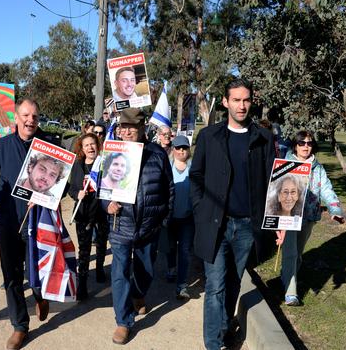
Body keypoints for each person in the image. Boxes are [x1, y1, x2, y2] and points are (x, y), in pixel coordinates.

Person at [190, 79, 276, 350]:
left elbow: (273, 182)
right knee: (215, 285)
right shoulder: (209, 136)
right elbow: (196, 176)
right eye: (236, 100)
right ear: (225, 102)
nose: (242, 105)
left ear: (252, 101)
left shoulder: (264, 138)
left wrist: (279, 221)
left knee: (233, 281)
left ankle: (226, 325)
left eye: (246, 100)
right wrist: (200, 208)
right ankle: (213, 344)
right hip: (215, 225)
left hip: (247, 227)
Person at [0, 99, 51, 350]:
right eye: (26, 115)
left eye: (35, 115)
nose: (30, 120)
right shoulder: (2, 147)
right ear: (16, 118)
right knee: (11, 277)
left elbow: (59, 183)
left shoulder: (48, 145)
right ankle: (20, 326)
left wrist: (44, 198)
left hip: (38, 221)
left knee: (37, 275)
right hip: (9, 222)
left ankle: (40, 296)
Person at [100, 108, 174, 345]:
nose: (128, 131)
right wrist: (106, 204)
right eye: (124, 127)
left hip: (149, 226)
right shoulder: (112, 153)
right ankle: (123, 321)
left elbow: (169, 189)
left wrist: (163, 218)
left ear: (143, 128)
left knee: (145, 270)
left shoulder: (157, 154)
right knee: (119, 273)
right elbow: (103, 189)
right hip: (120, 225)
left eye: (133, 127)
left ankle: (139, 294)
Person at [276, 130, 343, 306]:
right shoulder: (286, 164)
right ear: (295, 145)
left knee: (297, 254)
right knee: (290, 252)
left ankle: (286, 276)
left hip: (309, 216)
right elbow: (275, 190)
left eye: (309, 143)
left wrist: (334, 208)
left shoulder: (317, 167)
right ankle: (291, 292)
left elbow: (326, 189)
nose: (306, 146)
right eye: (301, 143)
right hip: (289, 215)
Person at [68, 133, 109, 300]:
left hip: (100, 212)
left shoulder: (104, 164)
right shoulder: (77, 165)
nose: (90, 147)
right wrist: (76, 194)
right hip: (83, 214)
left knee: (101, 243)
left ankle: (99, 269)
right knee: (83, 250)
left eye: (93, 144)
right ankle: (82, 284)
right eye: (87, 145)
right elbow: (71, 188)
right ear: (82, 149)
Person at [165, 135, 195, 300]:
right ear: (173, 149)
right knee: (170, 248)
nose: (181, 151)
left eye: (184, 148)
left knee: (184, 251)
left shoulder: (194, 168)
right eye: (178, 148)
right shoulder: (167, 167)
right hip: (170, 217)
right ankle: (171, 268)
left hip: (188, 219)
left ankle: (182, 286)